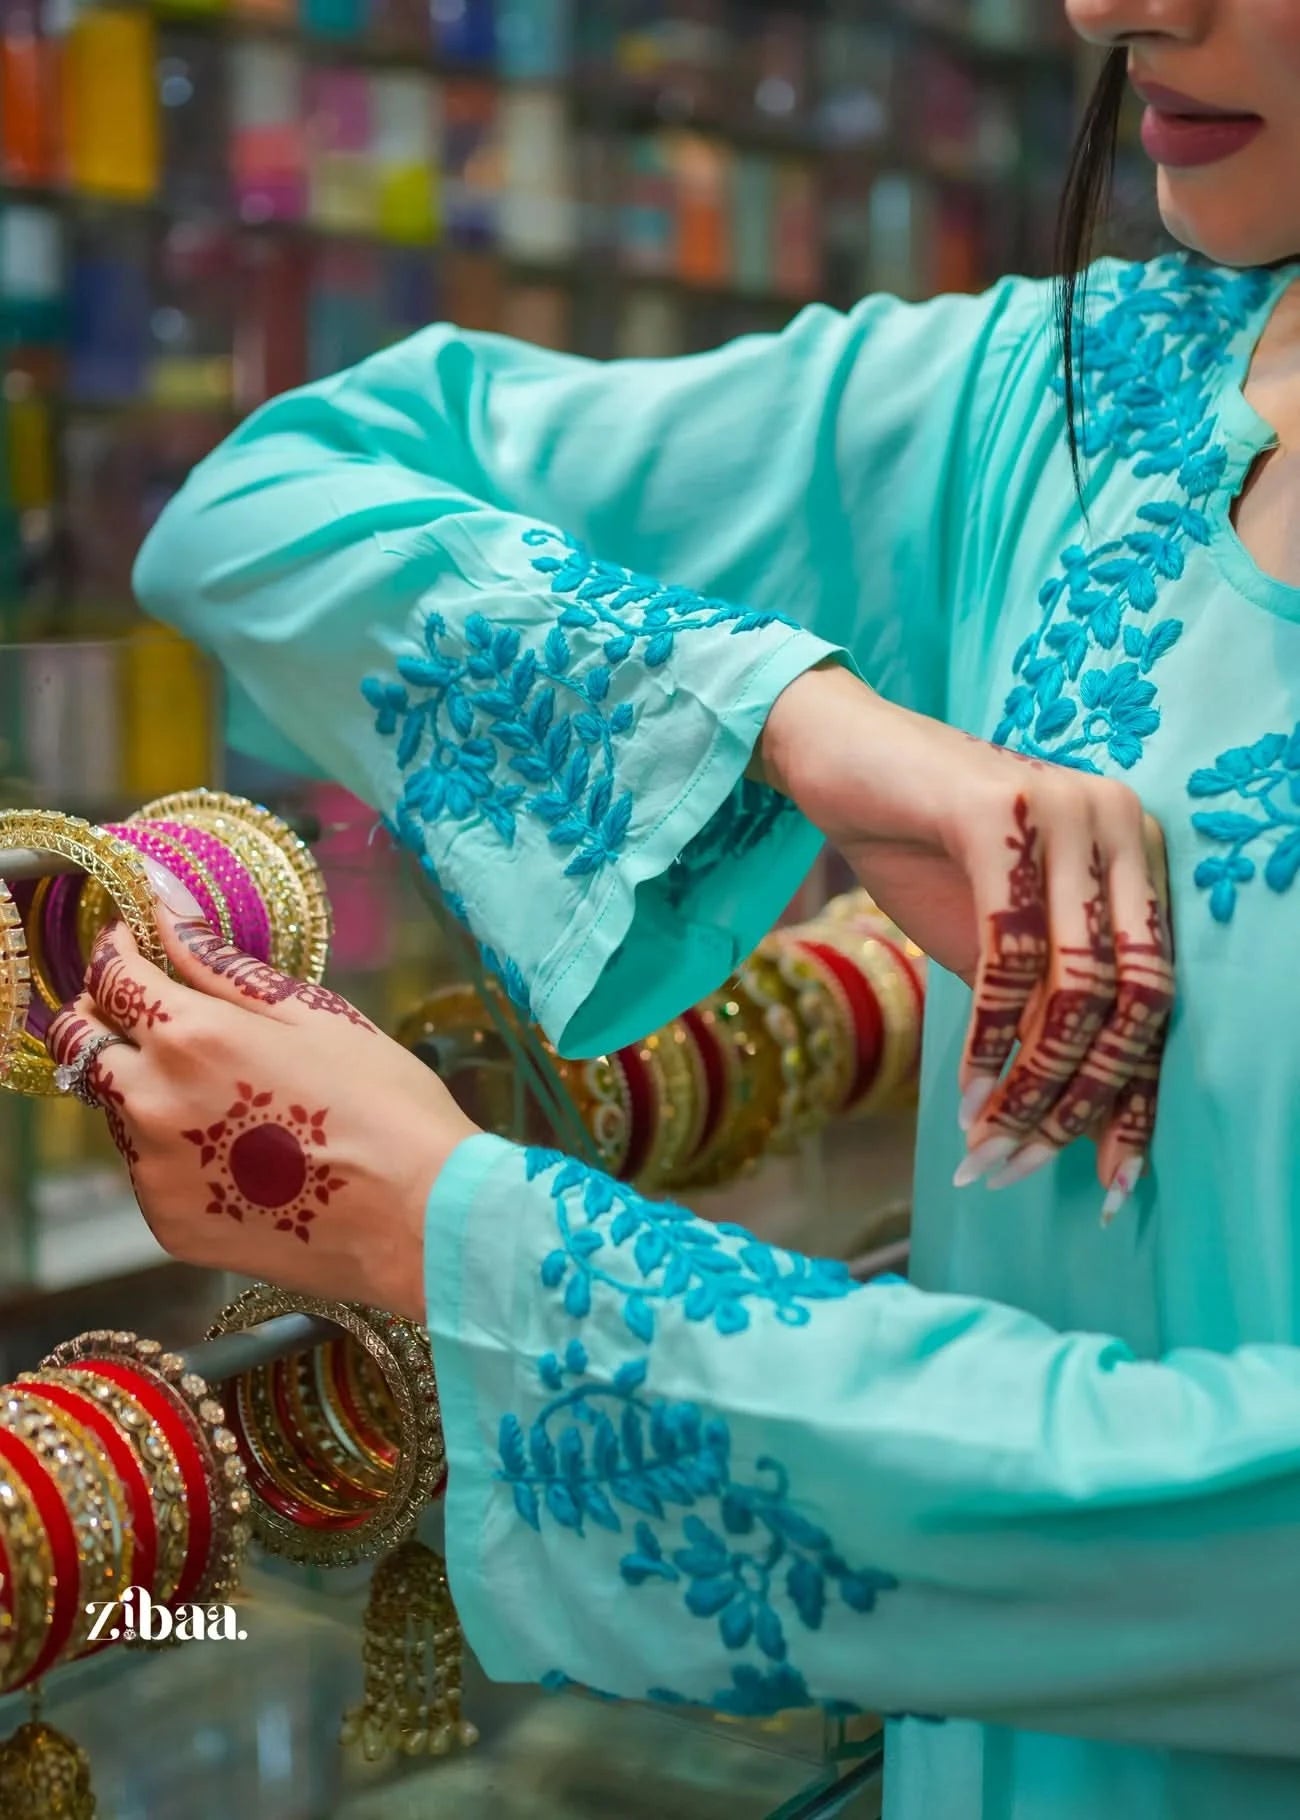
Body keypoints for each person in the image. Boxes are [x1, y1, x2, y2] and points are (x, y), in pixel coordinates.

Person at [45, 0, 1300, 1813]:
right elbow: (266, 503)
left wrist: (481, 1246)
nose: (1111, 5)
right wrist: (800, 718)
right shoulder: (1061, 399)